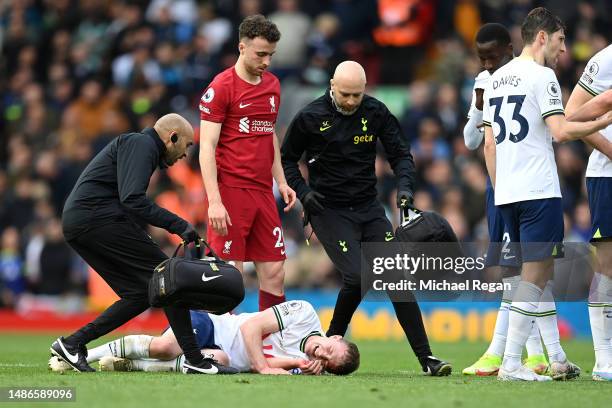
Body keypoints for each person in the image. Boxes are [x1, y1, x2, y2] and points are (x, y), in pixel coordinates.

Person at [281, 60, 451, 376]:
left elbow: (401, 154)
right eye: (344, 94)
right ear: (332, 85)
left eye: (356, 96)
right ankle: (331, 339)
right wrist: (304, 193)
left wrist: (405, 188)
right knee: (359, 276)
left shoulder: (376, 112)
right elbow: (287, 160)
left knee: (396, 279)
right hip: (327, 210)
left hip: (368, 208)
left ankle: (427, 359)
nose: (349, 101)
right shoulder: (310, 117)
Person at [482, 7, 612, 381]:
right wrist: (602, 120)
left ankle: (540, 358)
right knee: (535, 277)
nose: (563, 49)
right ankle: (511, 364)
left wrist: (500, 185)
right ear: (542, 36)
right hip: (539, 189)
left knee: (534, 275)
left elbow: (489, 144)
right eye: (559, 40)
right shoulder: (543, 77)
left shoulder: (497, 78)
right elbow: (559, 131)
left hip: (507, 191)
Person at [52, 113, 237, 375]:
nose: (184, 155)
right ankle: (195, 359)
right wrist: (179, 225)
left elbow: (128, 199)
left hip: (82, 221)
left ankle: (71, 344)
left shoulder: (136, 146)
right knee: (169, 280)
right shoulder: (143, 145)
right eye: (185, 146)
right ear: (172, 138)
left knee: (142, 294)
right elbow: (133, 200)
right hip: (95, 218)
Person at [462, 23, 556, 377]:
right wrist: (476, 108)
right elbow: (472, 140)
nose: (487, 64)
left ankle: (507, 353)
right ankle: (537, 354)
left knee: (526, 269)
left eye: (493, 56)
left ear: (510, 48)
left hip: (518, 186)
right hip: (500, 185)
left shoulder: (526, 76)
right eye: (481, 58)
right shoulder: (484, 82)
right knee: (521, 269)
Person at [198, 15, 296, 312]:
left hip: (263, 192)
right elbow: (207, 147)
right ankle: (221, 349)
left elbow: (269, 137)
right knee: (230, 277)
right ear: (242, 47)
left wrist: (281, 181)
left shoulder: (273, 86)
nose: (266, 61)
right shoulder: (222, 87)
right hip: (231, 192)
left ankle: (269, 346)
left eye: (271, 55)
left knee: (275, 271)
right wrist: (214, 201)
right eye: (261, 54)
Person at [49, 300, 360, 376]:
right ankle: (79, 354)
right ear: (334, 335)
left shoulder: (304, 367)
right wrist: (265, 368)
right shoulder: (304, 313)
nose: (322, 354)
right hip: (214, 326)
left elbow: (252, 366)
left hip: (223, 354)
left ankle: (129, 365)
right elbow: (249, 329)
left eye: (327, 361)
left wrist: (294, 362)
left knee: (219, 362)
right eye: (330, 347)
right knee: (165, 347)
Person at [565, 43, 612, 381]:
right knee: (607, 265)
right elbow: (572, 114)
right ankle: (604, 361)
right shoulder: (606, 60)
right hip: (607, 175)